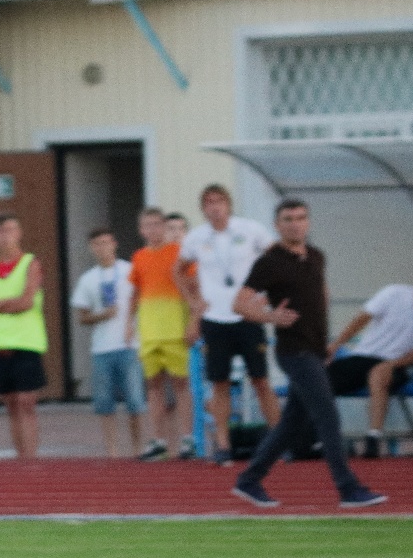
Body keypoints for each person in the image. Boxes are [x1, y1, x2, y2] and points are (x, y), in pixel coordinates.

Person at [230, 199, 386, 509]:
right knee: (328, 415)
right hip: (293, 352)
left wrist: (327, 342)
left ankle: (248, 480)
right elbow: (239, 304)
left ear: (308, 222)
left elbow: (321, 294)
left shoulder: (316, 256)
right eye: (288, 219)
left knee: (291, 424)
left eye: (300, 218)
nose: (295, 224)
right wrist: (271, 317)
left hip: (314, 350)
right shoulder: (269, 262)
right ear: (278, 225)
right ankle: (348, 488)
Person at [175, 185, 280, 464]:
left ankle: (279, 440)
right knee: (219, 383)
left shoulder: (249, 229)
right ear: (203, 208)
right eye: (209, 202)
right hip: (215, 318)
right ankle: (223, 444)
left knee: (260, 380)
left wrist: (266, 295)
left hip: (247, 316)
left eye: (219, 201)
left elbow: (277, 258)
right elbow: (178, 270)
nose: (215, 207)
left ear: (229, 204)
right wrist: (194, 304)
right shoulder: (197, 237)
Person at [327, 261, 413, 458]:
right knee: (319, 379)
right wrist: (335, 346)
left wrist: (390, 364)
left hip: (399, 365)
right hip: (363, 357)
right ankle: (318, 439)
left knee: (379, 373)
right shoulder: (393, 293)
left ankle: (373, 438)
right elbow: (361, 319)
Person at [0, 212, 46, 460]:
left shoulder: (30, 263)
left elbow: (26, 301)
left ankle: (31, 457)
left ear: (19, 233)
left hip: (27, 341)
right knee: (11, 404)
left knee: (27, 401)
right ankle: (20, 455)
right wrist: (8, 303)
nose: (5, 236)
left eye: (10, 230)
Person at [70, 227, 145, 458]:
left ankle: (137, 448)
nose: (102, 248)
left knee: (135, 401)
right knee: (104, 403)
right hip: (101, 348)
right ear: (91, 248)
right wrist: (102, 315)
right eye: (97, 244)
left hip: (129, 344)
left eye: (106, 242)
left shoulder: (129, 270)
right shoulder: (88, 279)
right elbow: (82, 317)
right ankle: (112, 450)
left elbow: (142, 299)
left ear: (114, 244)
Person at [126, 207, 193, 461]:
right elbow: (135, 292)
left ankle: (188, 439)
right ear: (141, 230)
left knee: (181, 384)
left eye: (157, 224)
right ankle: (159, 440)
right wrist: (128, 323)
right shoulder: (139, 257)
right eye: (148, 225)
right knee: (153, 386)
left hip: (175, 329)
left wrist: (193, 320)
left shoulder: (179, 254)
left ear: (165, 227)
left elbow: (194, 287)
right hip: (149, 330)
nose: (153, 229)